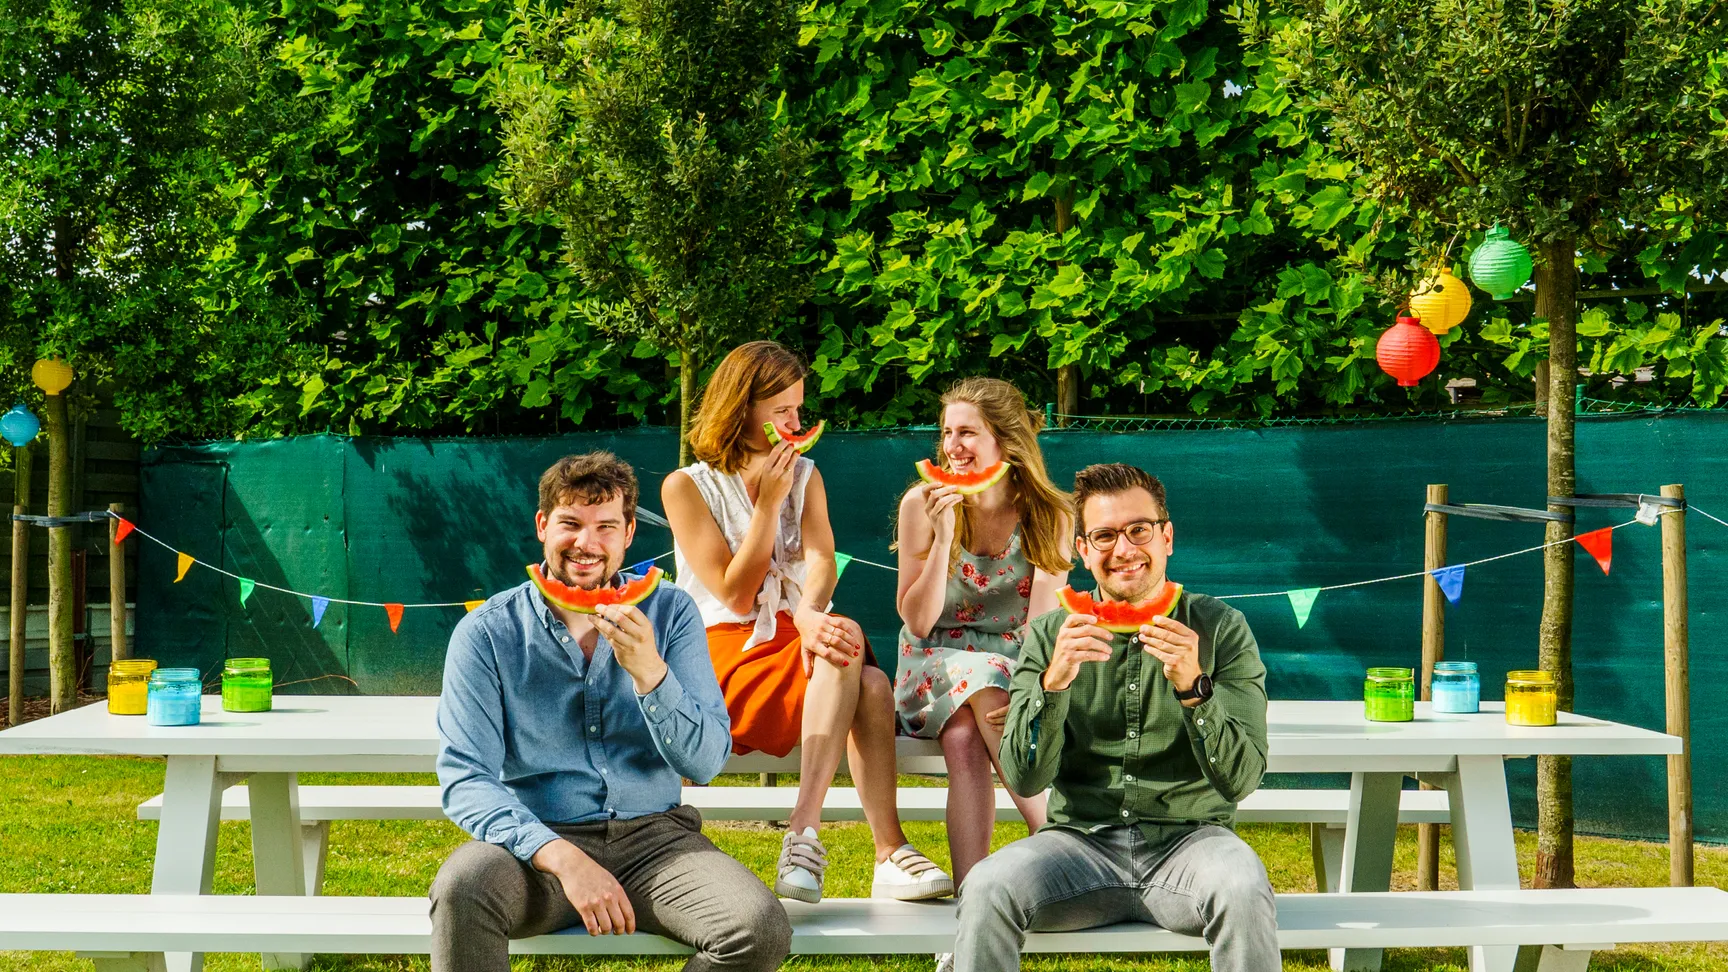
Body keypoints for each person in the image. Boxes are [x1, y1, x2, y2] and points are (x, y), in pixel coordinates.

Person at [431, 452, 790, 972]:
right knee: (463, 887)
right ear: (542, 526)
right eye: (571, 523)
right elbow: (465, 778)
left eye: (606, 527)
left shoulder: (670, 613)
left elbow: (708, 762)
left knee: (757, 928)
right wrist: (561, 856)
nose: (587, 543)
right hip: (536, 846)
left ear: (627, 536)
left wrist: (651, 673)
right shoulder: (487, 633)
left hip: (657, 842)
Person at [956, 463, 1278, 972]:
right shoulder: (1047, 637)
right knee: (986, 886)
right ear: (1083, 550)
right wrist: (1052, 684)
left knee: (1242, 886)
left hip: (1192, 843)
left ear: (1166, 537)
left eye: (1138, 530)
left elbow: (1240, 780)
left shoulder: (1221, 630)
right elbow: (1024, 776)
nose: (1123, 549)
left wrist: (1195, 689)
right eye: (1104, 535)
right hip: (1077, 846)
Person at [663, 339, 953, 905]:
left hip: (801, 631)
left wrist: (810, 612)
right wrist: (768, 504)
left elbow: (821, 557)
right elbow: (735, 591)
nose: (796, 423)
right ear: (741, 407)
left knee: (860, 668)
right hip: (720, 649)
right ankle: (862, 844)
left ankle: (821, 839)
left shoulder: (807, 474)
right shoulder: (686, 486)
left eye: (799, 410)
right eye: (782, 412)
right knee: (856, 665)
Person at [893, 377, 1069, 894]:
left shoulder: (1049, 514)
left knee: (965, 739)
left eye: (967, 433)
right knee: (982, 680)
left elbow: (1039, 629)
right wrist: (944, 537)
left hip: (1014, 678)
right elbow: (918, 623)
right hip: (929, 669)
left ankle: (972, 906)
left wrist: (1029, 689)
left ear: (1004, 441)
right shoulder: (919, 506)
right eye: (947, 433)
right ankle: (1059, 835)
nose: (951, 447)